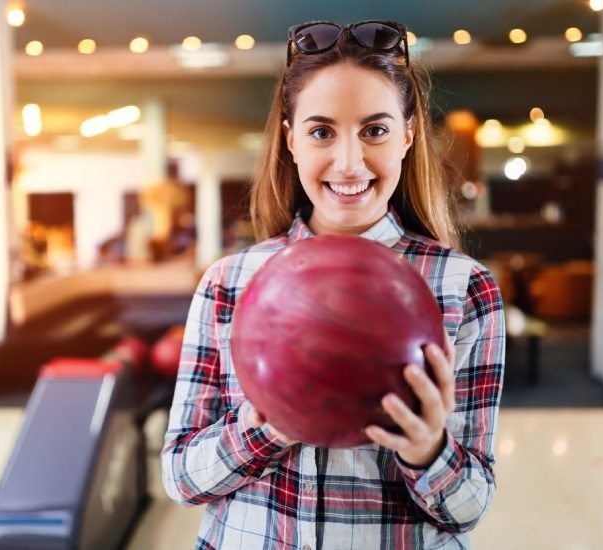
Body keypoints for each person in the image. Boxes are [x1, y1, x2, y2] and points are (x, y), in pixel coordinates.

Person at [162, 19, 505, 549]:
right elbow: (182, 479)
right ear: (291, 140)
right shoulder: (229, 283)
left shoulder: (465, 287)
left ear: (409, 136)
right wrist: (273, 422)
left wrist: (428, 450)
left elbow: (470, 507)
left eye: (375, 130)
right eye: (322, 131)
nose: (349, 162)